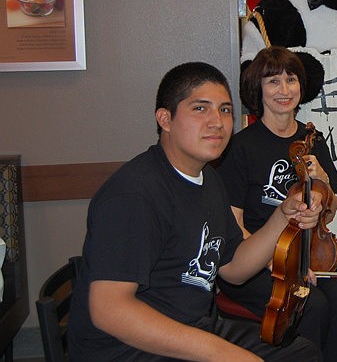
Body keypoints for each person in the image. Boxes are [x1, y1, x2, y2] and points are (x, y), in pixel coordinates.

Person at [67, 62, 322, 361]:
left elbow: (234, 269)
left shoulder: (208, 179)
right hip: (125, 349)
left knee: (301, 353)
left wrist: (282, 216)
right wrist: (223, 354)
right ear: (165, 119)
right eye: (200, 109)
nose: (217, 122)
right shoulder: (133, 194)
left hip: (191, 325)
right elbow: (109, 310)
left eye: (225, 110)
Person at [217, 46, 337, 362]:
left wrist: (323, 179)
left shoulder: (312, 139)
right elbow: (233, 225)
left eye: (291, 80)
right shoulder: (239, 148)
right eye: (273, 82)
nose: (284, 90)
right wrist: (276, 264)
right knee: (311, 306)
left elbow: (330, 211)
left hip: (307, 256)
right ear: (258, 89)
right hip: (258, 261)